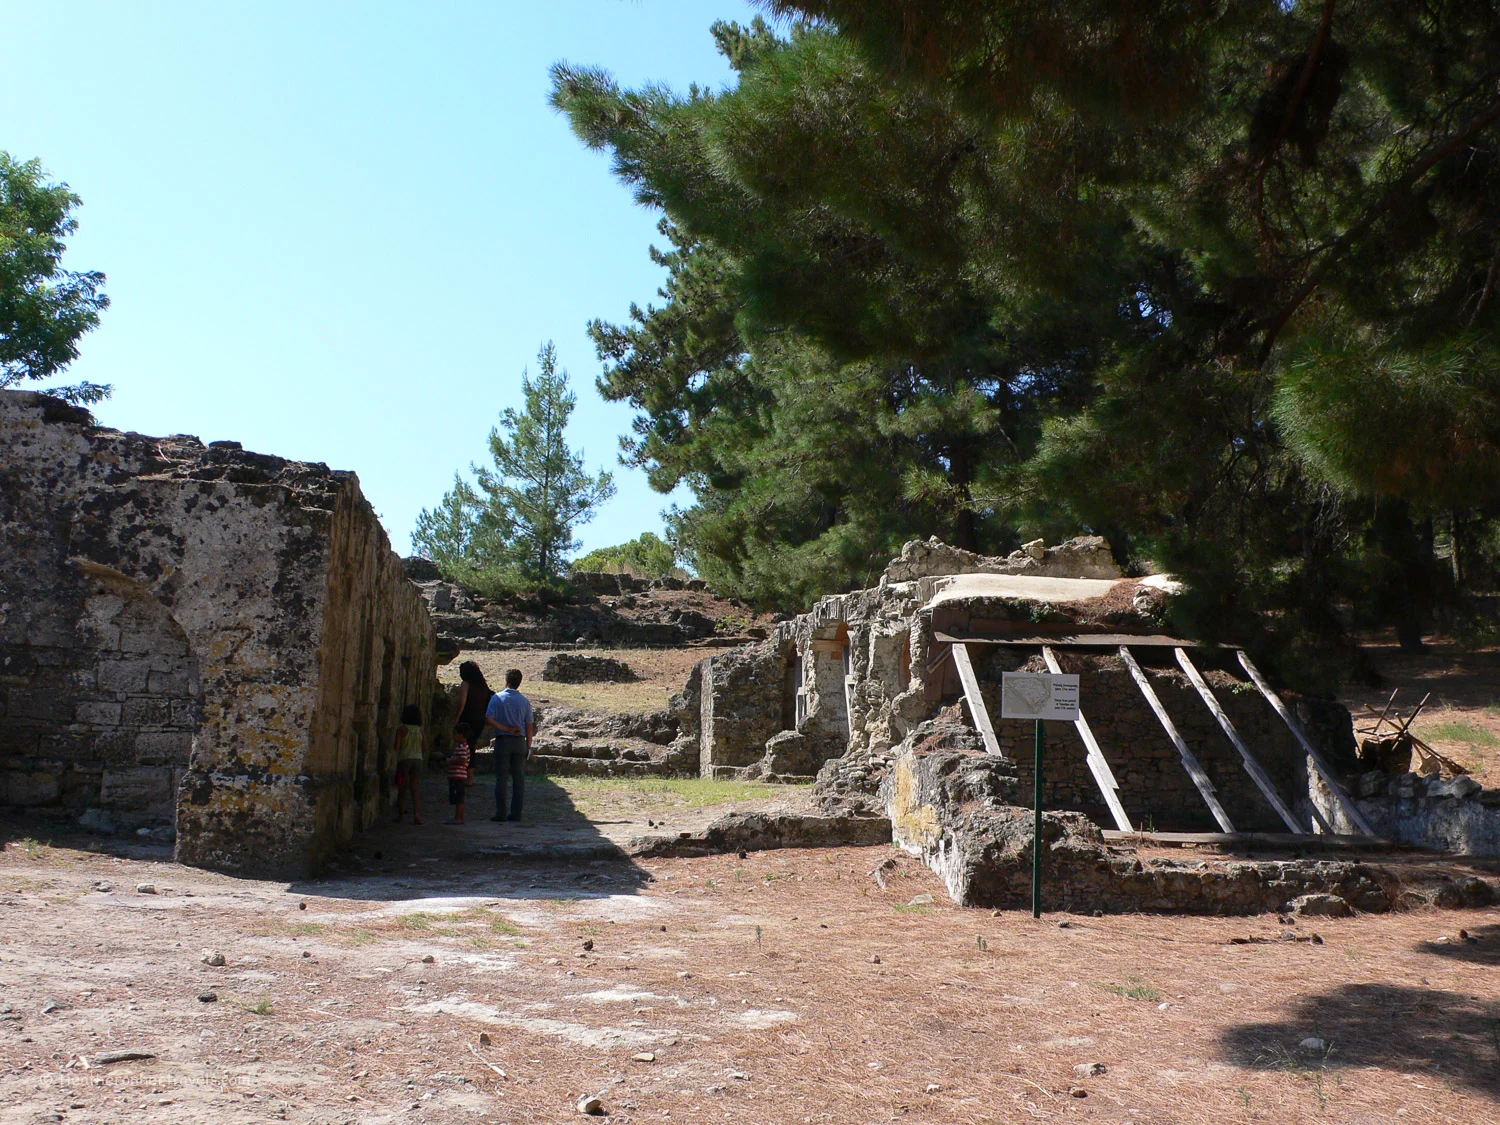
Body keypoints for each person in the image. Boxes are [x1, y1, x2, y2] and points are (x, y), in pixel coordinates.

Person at [485, 668, 534, 822]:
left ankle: (501, 812)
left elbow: (489, 719)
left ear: (506, 680)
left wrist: (505, 729)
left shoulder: (497, 698)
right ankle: (516, 813)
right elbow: (529, 725)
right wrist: (529, 745)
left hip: (503, 740)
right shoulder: (525, 701)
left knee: (501, 778)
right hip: (520, 741)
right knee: (519, 779)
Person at [392, 703, 425, 825]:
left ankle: (401, 815)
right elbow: (425, 747)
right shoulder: (420, 730)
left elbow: (397, 746)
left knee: (403, 788)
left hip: (404, 760)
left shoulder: (401, 730)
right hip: (418, 760)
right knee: (415, 788)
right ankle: (417, 814)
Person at [453, 661, 495, 752]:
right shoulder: (483, 686)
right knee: (472, 745)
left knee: (464, 745)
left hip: (468, 718)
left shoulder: (466, 684)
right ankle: (471, 765)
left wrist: (457, 716)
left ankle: (464, 764)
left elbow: (462, 702)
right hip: (480, 720)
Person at [445, 732, 473, 825]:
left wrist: (450, 761)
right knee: (460, 798)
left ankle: (458, 817)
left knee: (458, 798)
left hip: (458, 775)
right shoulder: (464, 746)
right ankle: (460, 817)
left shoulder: (462, 747)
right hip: (460, 775)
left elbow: (463, 759)